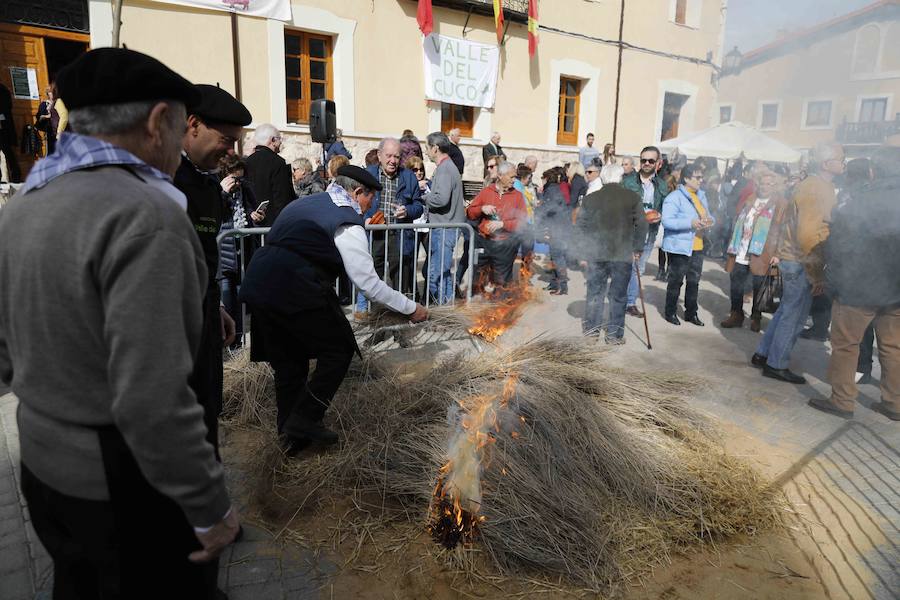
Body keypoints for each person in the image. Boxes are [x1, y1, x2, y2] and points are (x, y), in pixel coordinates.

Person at [0, 48, 239, 599]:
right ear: (159, 122)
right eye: (181, 128)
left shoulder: (27, 199)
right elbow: (152, 401)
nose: (182, 146)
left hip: (44, 467)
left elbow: (7, 350)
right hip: (122, 486)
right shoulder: (146, 215)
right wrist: (210, 506)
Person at [240, 166, 428, 447]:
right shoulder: (347, 221)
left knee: (290, 364)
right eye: (370, 198)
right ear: (357, 192)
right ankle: (305, 418)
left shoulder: (305, 203)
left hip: (262, 282)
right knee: (339, 350)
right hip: (295, 285)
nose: (370, 206)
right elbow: (368, 283)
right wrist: (411, 308)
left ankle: (290, 438)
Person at [176, 83, 252, 456]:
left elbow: (202, 256)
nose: (231, 150)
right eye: (225, 139)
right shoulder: (162, 181)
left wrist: (216, 307)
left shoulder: (206, 187)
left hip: (203, 322)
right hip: (171, 335)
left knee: (207, 416)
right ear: (193, 124)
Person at [813, 148, 900, 421]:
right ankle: (895, 403)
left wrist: (833, 283)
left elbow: (837, 247)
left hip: (858, 289)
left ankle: (842, 401)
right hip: (896, 291)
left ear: (873, 172)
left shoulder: (857, 202)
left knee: (846, 345)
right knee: (893, 346)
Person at [751, 142, 844, 384]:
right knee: (793, 316)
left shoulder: (815, 185)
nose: (843, 163)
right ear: (826, 164)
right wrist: (815, 273)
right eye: (840, 159)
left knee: (785, 311)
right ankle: (777, 364)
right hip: (801, 262)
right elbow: (807, 235)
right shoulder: (816, 188)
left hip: (794, 259)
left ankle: (763, 354)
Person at [577, 164, 648, 343]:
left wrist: (583, 252)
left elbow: (581, 228)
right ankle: (614, 335)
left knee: (595, 292)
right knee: (618, 295)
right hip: (622, 254)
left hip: (596, 253)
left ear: (602, 178)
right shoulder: (632, 197)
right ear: (621, 178)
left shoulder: (590, 199)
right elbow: (642, 224)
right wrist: (637, 249)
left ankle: (592, 332)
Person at [721, 164, 790, 332]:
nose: (765, 187)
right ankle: (736, 314)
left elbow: (783, 230)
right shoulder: (750, 199)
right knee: (736, 283)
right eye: (763, 183)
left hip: (764, 252)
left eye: (770, 184)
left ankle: (756, 316)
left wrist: (779, 253)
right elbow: (739, 220)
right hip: (741, 249)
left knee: (760, 286)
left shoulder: (780, 204)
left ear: (776, 186)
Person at [362, 137, 425, 298]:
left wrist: (407, 211)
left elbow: (418, 207)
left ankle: (400, 311)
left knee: (400, 275)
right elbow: (356, 203)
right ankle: (374, 311)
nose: (392, 161)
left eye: (396, 157)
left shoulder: (409, 177)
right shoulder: (368, 175)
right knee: (373, 273)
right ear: (379, 155)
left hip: (399, 234)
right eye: (389, 156)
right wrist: (366, 218)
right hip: (375, 233)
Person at [218, 154, 264, 347]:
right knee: (226, 300)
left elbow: (251, 212)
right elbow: (213, 214)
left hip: (243, 251)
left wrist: (256, 217)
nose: (238, 182)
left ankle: (235, 342)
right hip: (224, 252)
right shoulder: (216, 190)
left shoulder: (245, 188)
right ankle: (226, 343)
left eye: (241, 178)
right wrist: (223, 193)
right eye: (235, 178)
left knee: (239, 299)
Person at [661, 164, 715, 326]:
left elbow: (709, 215)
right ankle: (670, 312)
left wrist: (711, 221)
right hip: (679, 248)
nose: (701, 180)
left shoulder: (701, 196)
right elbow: (667, 221)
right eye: (697, 177)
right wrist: (690, 223)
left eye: (701, 177)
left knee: (694, 282)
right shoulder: (674, 197)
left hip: (697, 246)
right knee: (676, 281)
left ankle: (691, 313)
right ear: (686, 179)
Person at [467, 161, 528, 290]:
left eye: (515, 176)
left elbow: (522, 222)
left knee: (501, 284)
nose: (514, 180)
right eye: (511, 177)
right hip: (484, 242)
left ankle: (500, 306)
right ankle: (476, 303)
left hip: (505, 246)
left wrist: (503, 224)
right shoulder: (486, 192)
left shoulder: (517, 196)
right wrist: (482, 208)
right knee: (477, 280)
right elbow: (470, 213)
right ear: (500, 175)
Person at [622, 146, 667, 315]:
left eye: (651, 161)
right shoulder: (627, 182)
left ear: (658, 163)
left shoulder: (662, 185)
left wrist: (659, 215)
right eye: (643, 160)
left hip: (650, 232)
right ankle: (623, 300)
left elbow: (664, 208)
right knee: (627, 266)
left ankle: (630, 302)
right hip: (631, 231)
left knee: (639, 268)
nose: (646, 163)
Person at [424, 131, 466, 304]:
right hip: (447, 227)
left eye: (427, 148)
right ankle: (447, 310)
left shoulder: (445, 169)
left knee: (435, 274)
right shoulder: (448, 167)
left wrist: (425, 197)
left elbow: (441, 199)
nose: (425, 151)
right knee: (443, 273)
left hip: (445, 228)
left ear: (435, 148)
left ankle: (443, 310)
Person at [245, 123, 294, 226]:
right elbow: (282, 197)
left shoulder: (247, 162)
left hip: (252, 223)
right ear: (272, 140)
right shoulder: (278, 162)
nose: (281, 143)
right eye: (280, 139)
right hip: (274, 224)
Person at [538, 166, 570, 295]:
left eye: (542, 178)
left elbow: (550, 208)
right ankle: (554, 283)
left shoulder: (551, 190)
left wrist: (539, 209)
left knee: (558, 257)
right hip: (556, 227)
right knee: (554, 257)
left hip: (558, 228)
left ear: (547, 179)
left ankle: (562, 286)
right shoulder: (553, 189)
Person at [0, 82, 20, 182]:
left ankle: (15, 175)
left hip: (3, 127)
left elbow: (5, 108)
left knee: (7, 152)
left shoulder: (3, 90)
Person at [35, 85, 58, 155]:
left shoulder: (59, 102)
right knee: (51, 150)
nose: (52, 94)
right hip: (50, 130)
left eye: (54, 92)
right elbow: (39, 117)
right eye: (50, 92)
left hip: (60, 129)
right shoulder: (44, 104)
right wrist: (47, 116)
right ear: (48, 94)